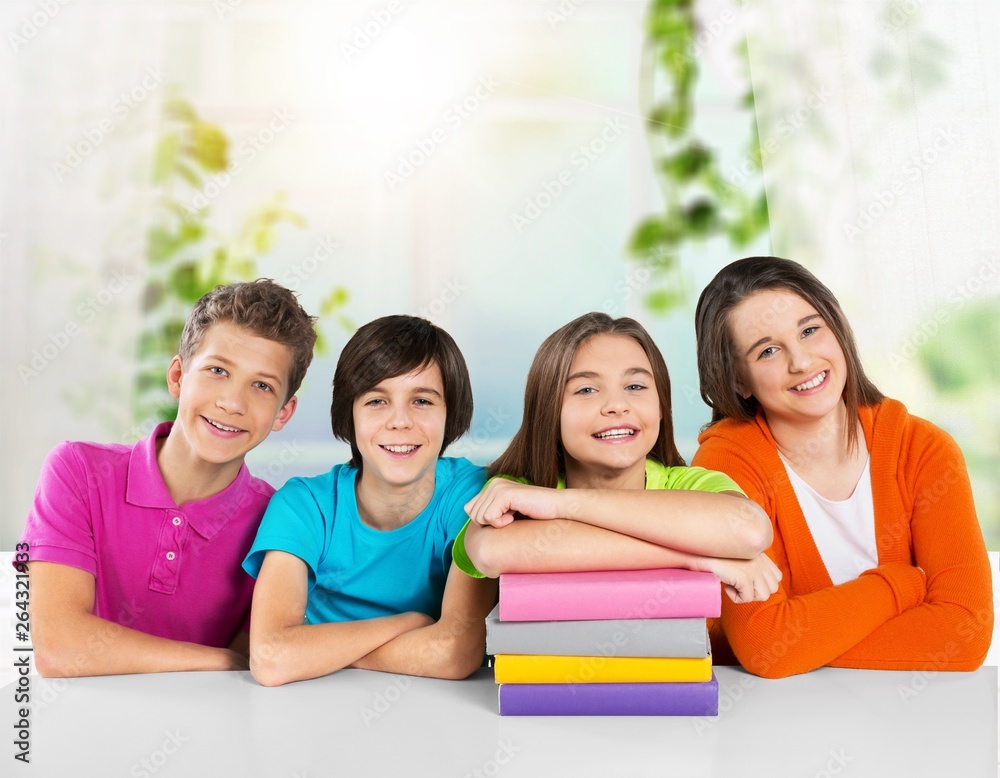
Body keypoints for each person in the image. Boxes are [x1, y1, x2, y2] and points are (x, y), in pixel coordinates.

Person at [692, 255, 994, 677]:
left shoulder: (924, 451)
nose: (801, 361)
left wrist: (802, 639)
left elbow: (965, 636)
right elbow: (766, 647)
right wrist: (899, 585)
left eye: (810, 330)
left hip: (911, 721)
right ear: (738, 381)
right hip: (776, 722)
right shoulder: (726, 467)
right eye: (768, 351)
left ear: (837, 329)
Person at [19, 279, 317, 677]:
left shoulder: (280, 520)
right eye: (217, 371)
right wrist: (229, 660)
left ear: (284, 412)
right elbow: (59, 648)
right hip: (80, 729)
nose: (232, 402)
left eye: (262, 386)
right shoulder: (78, 471)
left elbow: (260, 669)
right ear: (177, 376)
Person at [454, 312, 781, 605]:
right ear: (549, 411)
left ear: (661, 407)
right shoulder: (514, 490)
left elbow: (750, 532)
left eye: (635, 386)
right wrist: (698, 556)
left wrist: (560, 504)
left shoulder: (692, 485)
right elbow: (491, 551)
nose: (616, 405)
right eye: (586, 390)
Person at [244, 315, 497, 687]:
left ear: (451, 413)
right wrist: (408, 625)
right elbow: (270, 659)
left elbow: (454, 652)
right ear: (350, 413)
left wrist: (318, 654)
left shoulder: (473, 495)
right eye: (377, 400)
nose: (399, 421)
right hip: (310, 709)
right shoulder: (303, 505)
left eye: (422, 401)